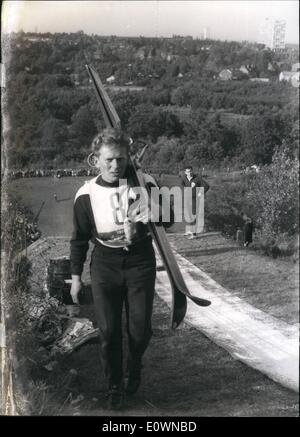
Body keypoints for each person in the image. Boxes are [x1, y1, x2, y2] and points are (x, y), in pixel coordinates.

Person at [70, 128, 173, 410]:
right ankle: (114, 386)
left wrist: (157, 212)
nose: (116, 166)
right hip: (105, 264)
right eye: (109, 160)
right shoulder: (86, 193)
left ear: (129, 158)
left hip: (140, 262)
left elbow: (171, 219)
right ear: (95, 160)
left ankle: (135, 364)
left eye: (121, 159)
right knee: (108, 330)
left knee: (139, 330)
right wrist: (76, 278)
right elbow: (79, 238)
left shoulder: (144, 182)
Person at [180, 166, 210, 239]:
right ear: (185, 172)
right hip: (187, 199)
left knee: (194, 215)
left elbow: (206, 186)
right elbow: (182, 184)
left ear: (192, 171)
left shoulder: (197, 178)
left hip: (195, 200)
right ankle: (190, 230)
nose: (189, 173)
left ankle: (194, 234)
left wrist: (200, 193)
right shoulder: (184, 178)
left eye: (190, 171)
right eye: (187, 171)